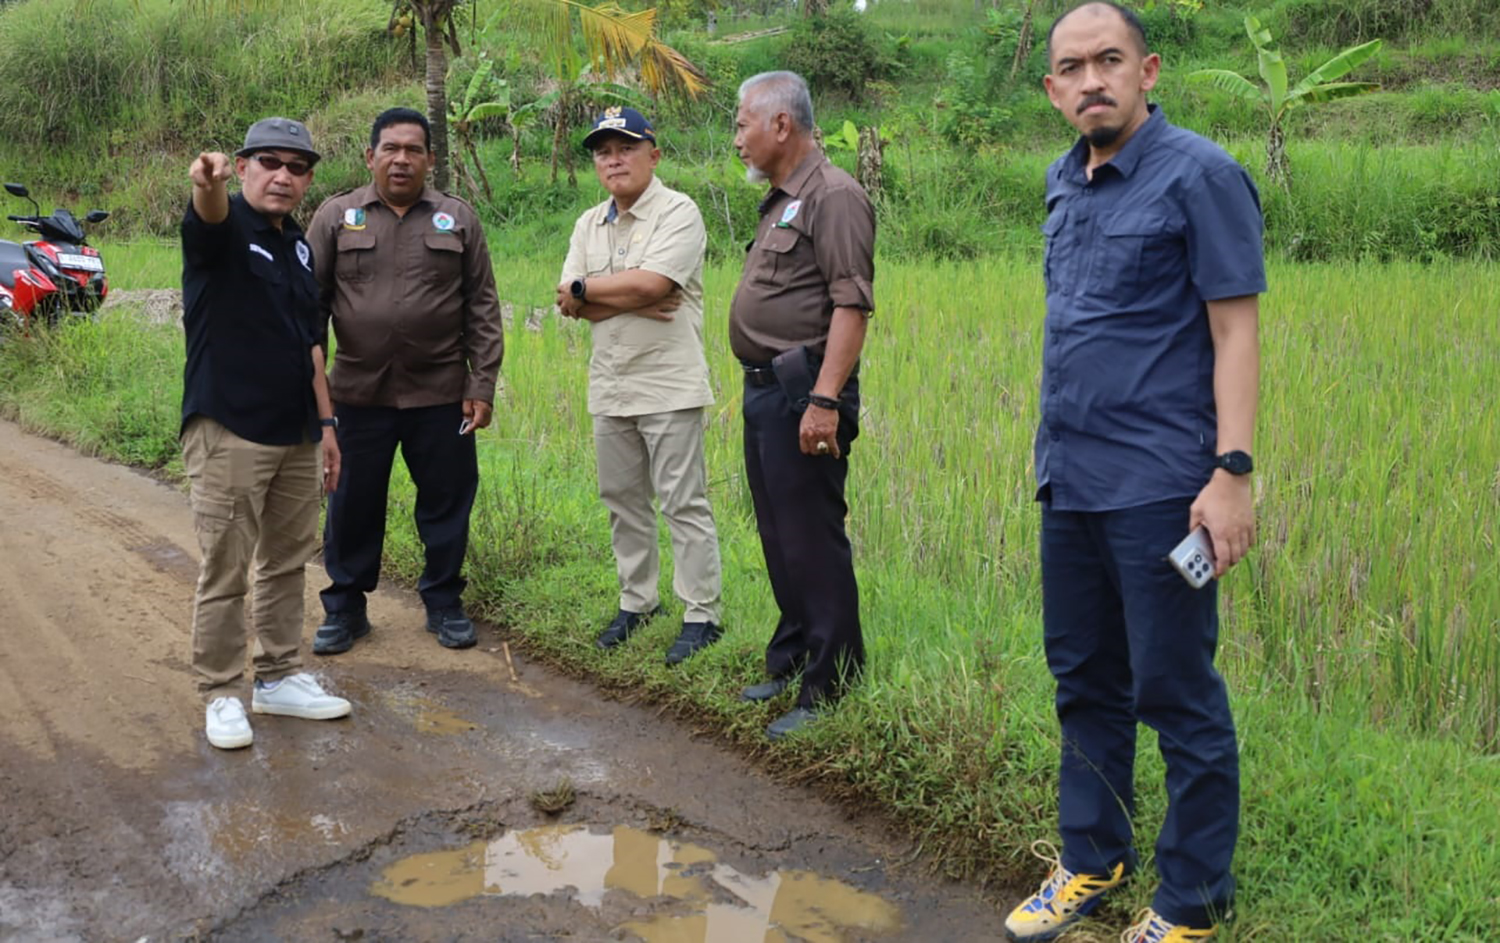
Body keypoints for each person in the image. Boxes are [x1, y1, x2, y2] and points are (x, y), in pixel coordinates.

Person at [1003, 4, 1265, 942]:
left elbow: (1235, 331)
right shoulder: (1061, 181)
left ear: (1146, 70)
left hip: (1161, 484)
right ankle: (1092, 857)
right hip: (1069, 477)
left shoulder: (1202, 175)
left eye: (1108, 60)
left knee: (1175, 691)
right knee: (1083, 680)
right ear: (1052, 89)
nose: (1091, 81)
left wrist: (1231, 472)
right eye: (1072, 68)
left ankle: (1193, 897)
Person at [180, 117, 353, 751]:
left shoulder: (299, 246)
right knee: (226, 567)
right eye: (269, 162)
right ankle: (222, 691)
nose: (283, 175)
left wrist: (327, 425)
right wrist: (206, 184)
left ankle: (278, 676)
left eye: (297, 166)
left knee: (287, 560)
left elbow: (311, 344)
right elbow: (207, 215)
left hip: (297, 431)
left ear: (308, 179)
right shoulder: (225, 228)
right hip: (230, 426)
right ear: (245, 166)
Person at [305, 107, 504, 655]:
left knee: (446, 502)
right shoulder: (336, 216)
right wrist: (313, 397)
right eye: (390, 149)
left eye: (413, 150)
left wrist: (482, 384)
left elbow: (482, 306)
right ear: (370, 156)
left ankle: (444, 602)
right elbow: (309, 309)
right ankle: (345, 608)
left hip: (441, 395)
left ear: (430, 159)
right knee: (351, 502)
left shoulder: (457, 218)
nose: (401, 160)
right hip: (356, 393)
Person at [728, 72, 876, 740]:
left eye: (742, 124)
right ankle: (792, 655)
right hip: (766, 388)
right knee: (778, 533)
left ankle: (833, 680)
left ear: (780, 124)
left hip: (803, 390)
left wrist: (823, 400)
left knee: (812, 537)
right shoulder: (783, 200)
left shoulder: (833, 196)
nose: (738, 139)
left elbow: (851, 305)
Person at [555, 107, 725, 665]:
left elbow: (654, 285)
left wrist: (591, 291)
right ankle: (638, 602)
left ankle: (701, 614)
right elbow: (566, 302)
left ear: (653, 155)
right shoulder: (588, 223)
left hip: (669, 383)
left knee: (683, 502)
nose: (613, 160)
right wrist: (609, 295)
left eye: (625, 148)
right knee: (622, 500)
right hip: (610, 383)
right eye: (603, 152)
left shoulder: (679, 212)